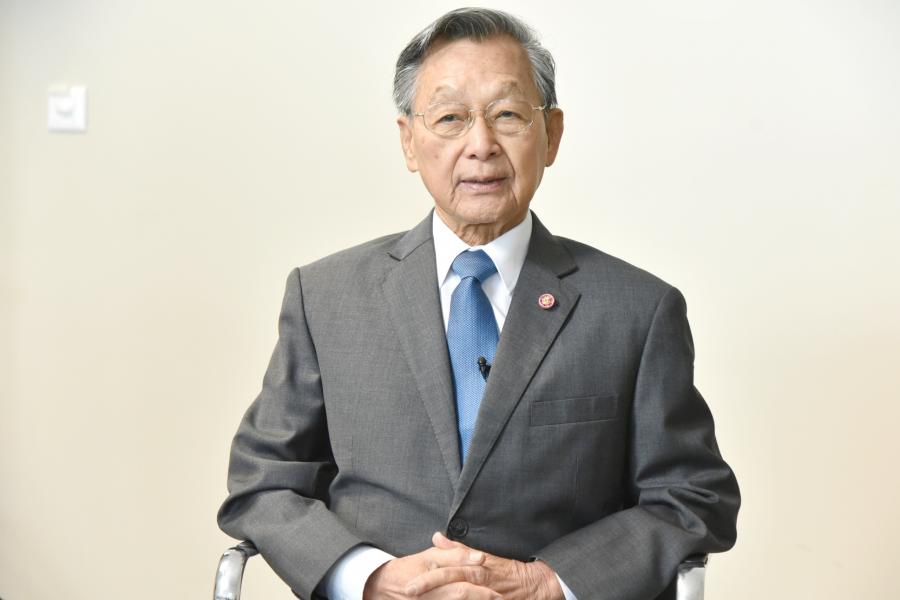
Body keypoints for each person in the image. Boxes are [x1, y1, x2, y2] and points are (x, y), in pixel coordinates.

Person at [217, 8, 740, 600]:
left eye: (508, 115)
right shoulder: (326, 297)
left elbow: (693, 496)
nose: (481, 145)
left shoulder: (637, 310)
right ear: (409, 140)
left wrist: (546, 583)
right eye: (450, 118)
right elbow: (263, 484)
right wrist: (372, 579)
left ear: (552, 135)